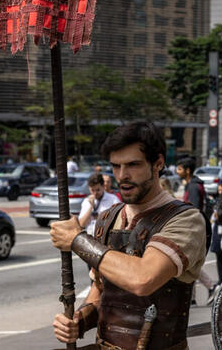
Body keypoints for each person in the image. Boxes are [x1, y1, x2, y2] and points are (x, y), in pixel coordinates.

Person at [50, 121, 207, 349]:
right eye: (115, 166)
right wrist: (79, 320)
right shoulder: (107, 219)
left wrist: (77, 239)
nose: (122, 175)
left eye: (133, 165)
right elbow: (102, 291)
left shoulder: (185, 219)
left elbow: (143, 279)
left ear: (158, 163)